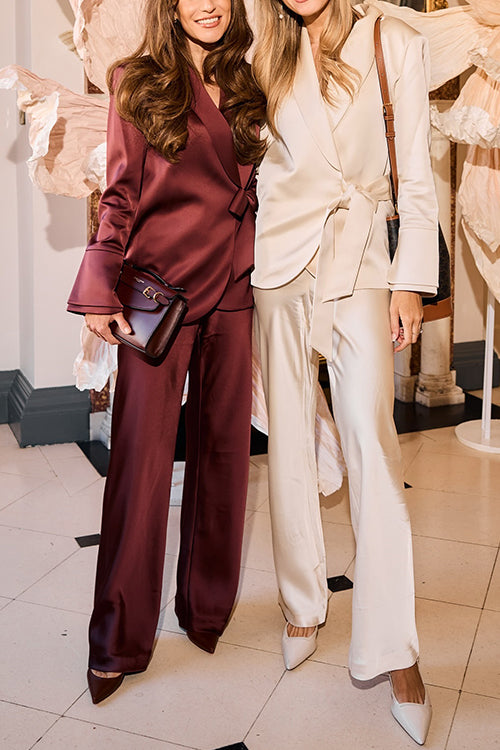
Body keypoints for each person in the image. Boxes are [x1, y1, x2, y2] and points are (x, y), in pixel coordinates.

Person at [67, 0, 265, 705]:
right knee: (140, 467)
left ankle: (206, 609)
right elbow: (119, 193)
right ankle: (118, 638)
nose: (208, 4)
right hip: (161, 296)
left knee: (224, 457)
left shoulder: (250, 80)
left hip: (236, 287)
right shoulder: (138, 78)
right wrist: (99, 285)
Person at [251, 0, 438, 744]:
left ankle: (395, 652)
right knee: (290, 446)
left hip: (361, 258)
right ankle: (302, 603)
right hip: (278, 265)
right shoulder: (261, 47)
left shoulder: (395, 40)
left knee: (372, 446)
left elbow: (416, 174)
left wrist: (409, 282)